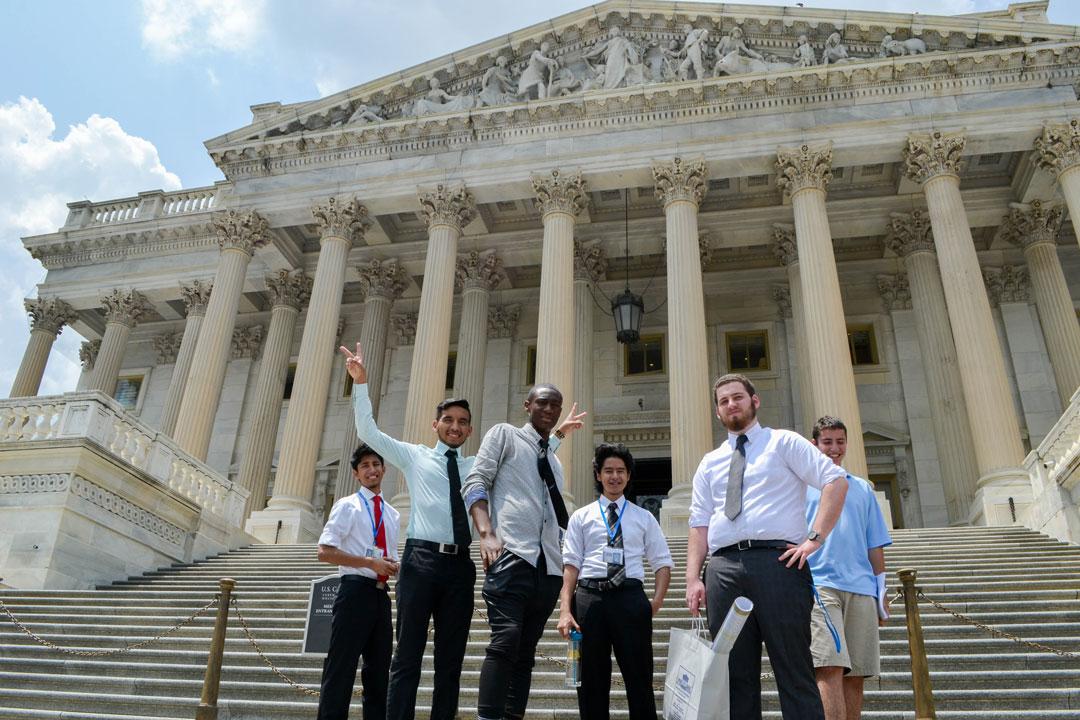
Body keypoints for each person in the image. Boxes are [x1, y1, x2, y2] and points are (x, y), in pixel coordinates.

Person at [685, 373, 848, 720]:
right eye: (724, 401)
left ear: (754, 401)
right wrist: (693, 579)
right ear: (718, 412)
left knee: (794, 671)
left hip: (779, 565)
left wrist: (814, 539)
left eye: (738, 397)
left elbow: (834, 480)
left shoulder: (783, 442)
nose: (731, 404)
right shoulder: (708, 463)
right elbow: (699, 524)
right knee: (735, 676)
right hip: (724, 570)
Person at [338, 341, 474, 720]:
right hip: (421, 560)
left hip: (461, 565)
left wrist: (555, 437)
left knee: (451, 662)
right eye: (449, 420)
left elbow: (519, 468)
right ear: (436, 425)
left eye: (462, 422)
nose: (455, 426)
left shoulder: (477, 466)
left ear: (469, 429)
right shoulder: (415, 455)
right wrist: (361, 383)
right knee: (408, 655)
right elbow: (369, 430)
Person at [461, 383, 583, 720]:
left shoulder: (553, 461)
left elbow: (540, 461)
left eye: (555, 405)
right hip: (512, 555)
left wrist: (558, 436)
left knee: (526, 652)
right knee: (506, 640)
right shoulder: (504, 434)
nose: (549, 409)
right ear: (527, 404)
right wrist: (486, 533)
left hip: (548, 568)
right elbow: (475, 482)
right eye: (543, 402)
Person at [557, 442, 673, 720]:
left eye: (621, 471)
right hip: (590, 600)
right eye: (608, 470)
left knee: (640, 678)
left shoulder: (644, 517)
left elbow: (662, 562)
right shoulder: (581, 517)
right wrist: (564, 610)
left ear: (629, 475)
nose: (614, 476)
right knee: (591, 682)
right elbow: (571, 565)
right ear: (598, 475)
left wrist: (654, 602)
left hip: (630, 598)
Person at [807, 416, 893, 720]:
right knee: (829, 666)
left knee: (856, 672)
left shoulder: (862, 489)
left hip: (861, 587)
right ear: (815, 444)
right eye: (827, 442)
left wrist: (881, 591)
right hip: (819, 586)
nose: (834, 448)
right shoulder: (803, 487)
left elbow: (875, 544)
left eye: (840, 442)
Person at [316, 444, 400, 720]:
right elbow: (324, 552)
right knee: (341, 667)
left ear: (384, 469)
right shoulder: (347, 506)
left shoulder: (392, 514)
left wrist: (393, 567)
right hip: (353, 591)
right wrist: (370, 563)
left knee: (379, 671)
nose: (371, 470)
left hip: (380, 596)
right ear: (356, 474)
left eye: (375, 464)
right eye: (364, 466)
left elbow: (389, 556)